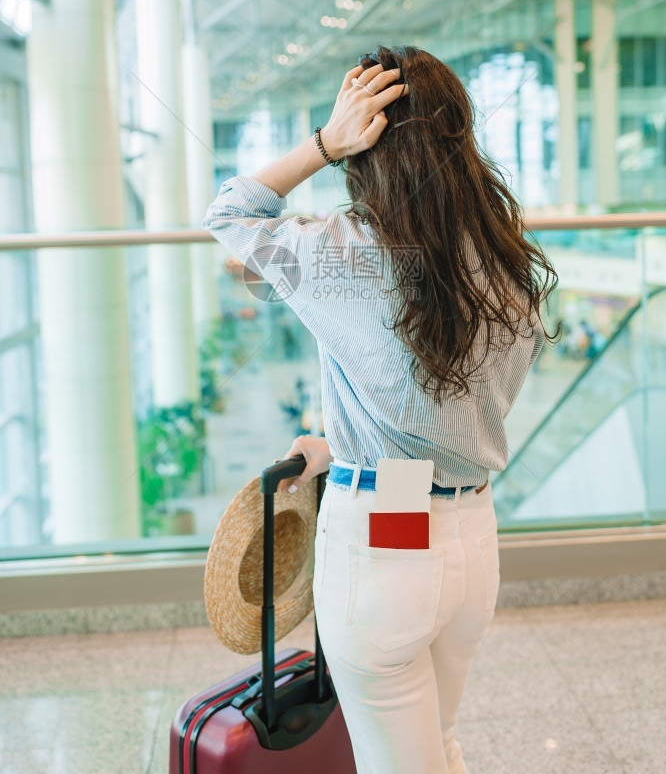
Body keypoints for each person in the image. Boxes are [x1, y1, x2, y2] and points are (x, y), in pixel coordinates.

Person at [202, 45, 560, 774]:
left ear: (367, 145)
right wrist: (351, 442)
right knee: (442, 745)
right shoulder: (506, 260)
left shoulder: (340, 255)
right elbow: (455, 418)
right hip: (472, 543)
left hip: (382, 549)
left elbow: (231, 212)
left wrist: (322, 145)